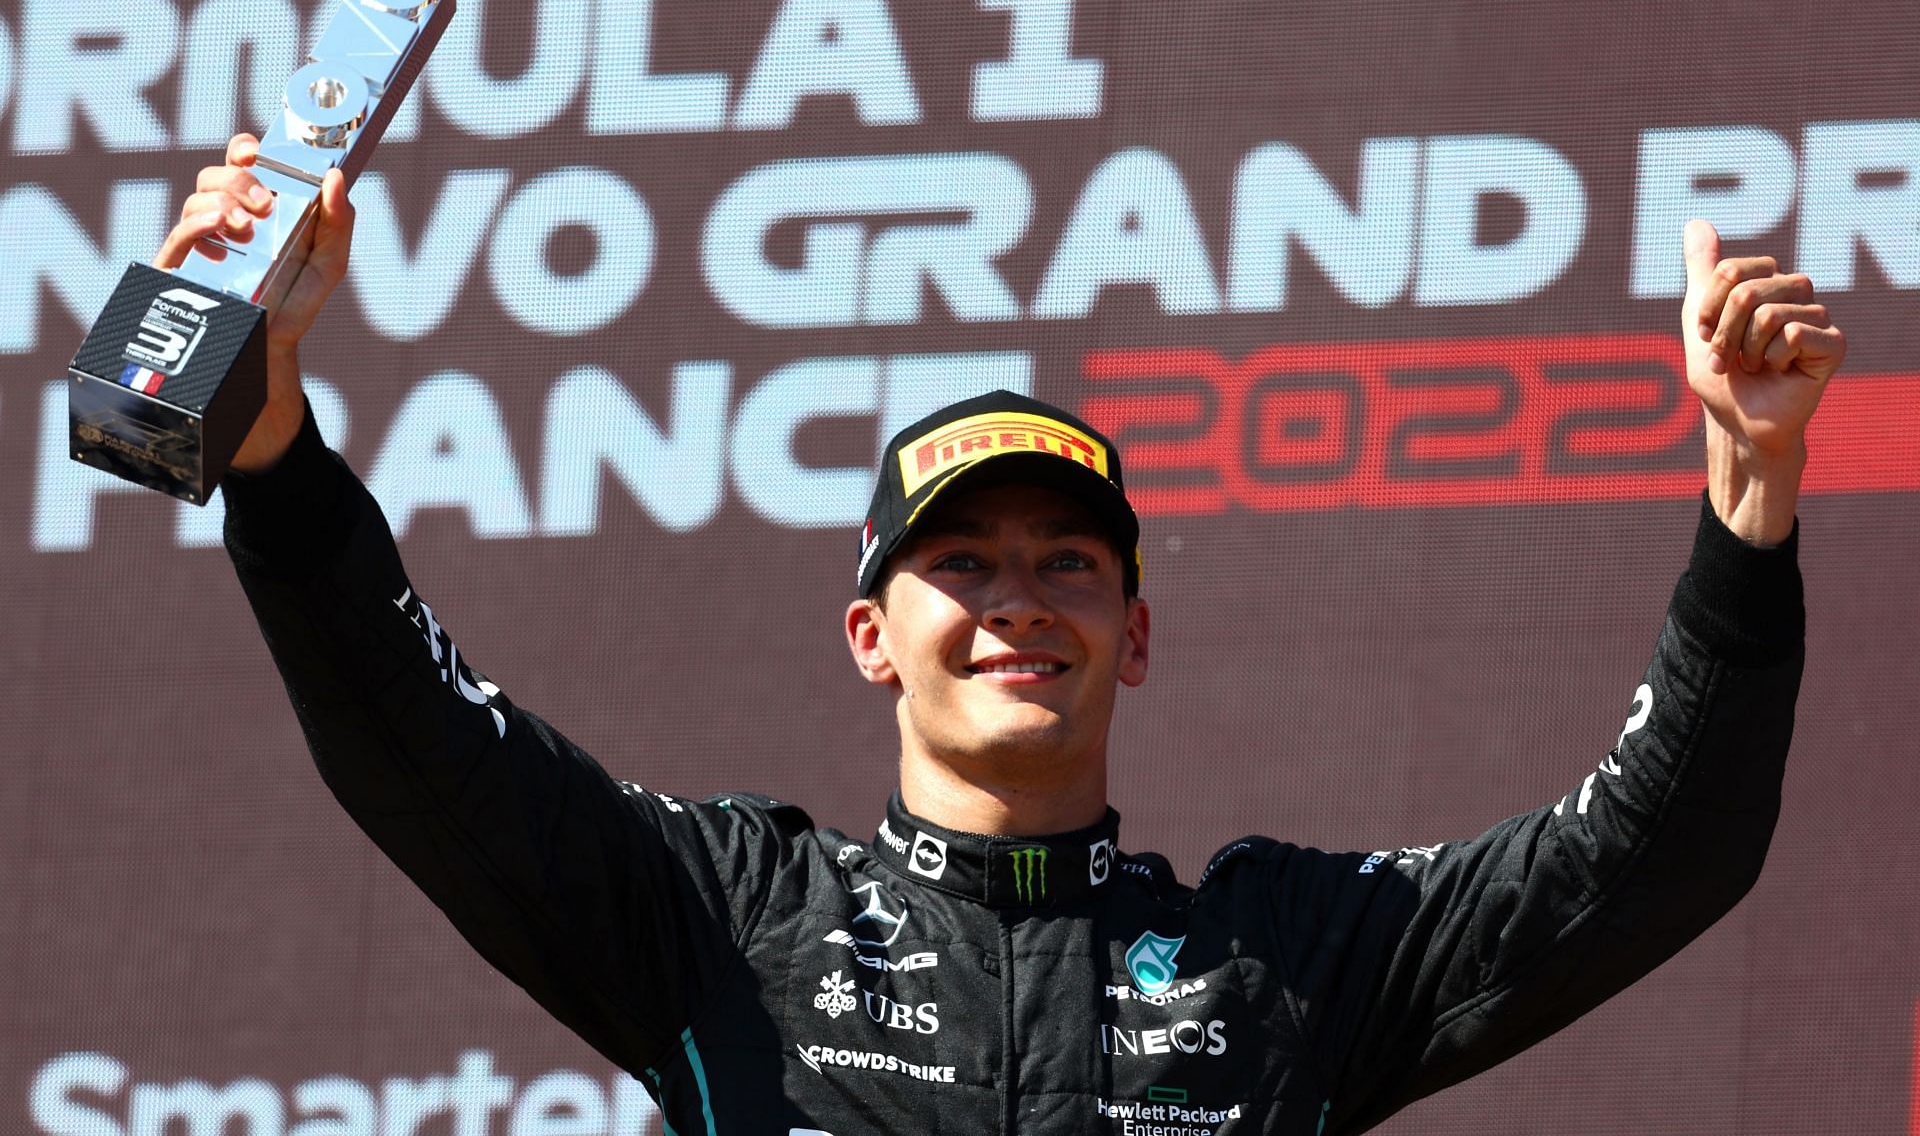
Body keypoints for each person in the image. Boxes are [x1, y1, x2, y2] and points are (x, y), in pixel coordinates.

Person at [167, 133, 1844, 1135]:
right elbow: (427, 748)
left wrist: (1748, 496)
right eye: (959, 565)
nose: (1018, 599)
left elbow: (1653, 850)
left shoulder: (1284, 961)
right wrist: (267, 442)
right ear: (869, 635)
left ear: (1135, 632)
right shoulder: (733, 915)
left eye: (1068, 565)